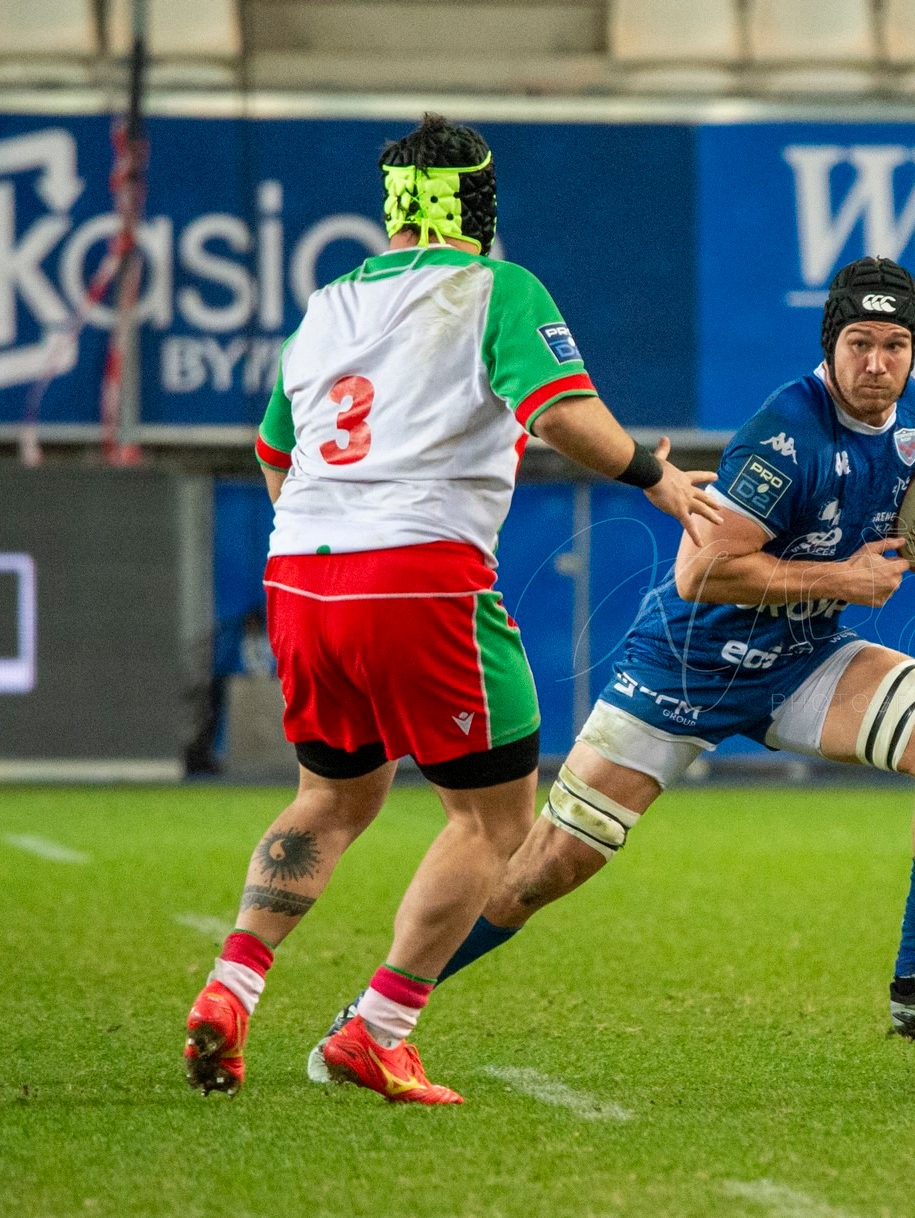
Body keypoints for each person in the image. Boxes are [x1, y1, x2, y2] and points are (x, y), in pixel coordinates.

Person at [307, 254, 915, 1078]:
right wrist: (842, 580)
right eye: (859, 342)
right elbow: (702, 573)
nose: (877, 363)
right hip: (688, 665)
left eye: (895, 344)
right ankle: (371, 1021)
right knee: (540, 872)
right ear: (829, 344)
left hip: (799, 658)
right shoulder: (784, 433)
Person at [182, 114, 719, 1105]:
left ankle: (231, 985)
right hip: (420, 578)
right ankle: (379, 1030)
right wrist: (657, 478)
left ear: (393, 207)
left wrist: (329, 543)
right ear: (482, 202)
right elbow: (557, 411)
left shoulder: (326, 304)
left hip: (301, 575)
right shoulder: (496, 290)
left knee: (331, 798)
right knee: (495, 820)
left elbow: (272, 453)